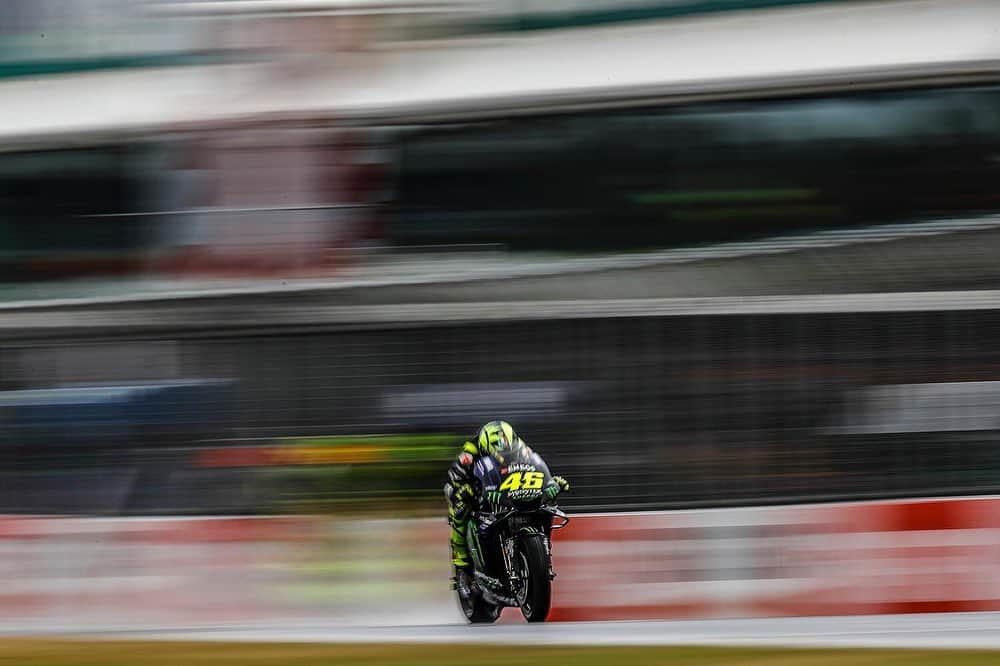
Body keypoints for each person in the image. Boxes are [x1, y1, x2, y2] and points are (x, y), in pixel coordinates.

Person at [444, 420, 569, 571]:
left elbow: (533, 468)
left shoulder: (521, 448)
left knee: (544, 507)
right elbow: (454, 477)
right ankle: (460, 555)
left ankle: (543, 549)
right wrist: (468, 489)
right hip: (474, 486)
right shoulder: (469, 453)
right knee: (459, 503)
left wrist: (549, 482)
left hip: (505, 486)